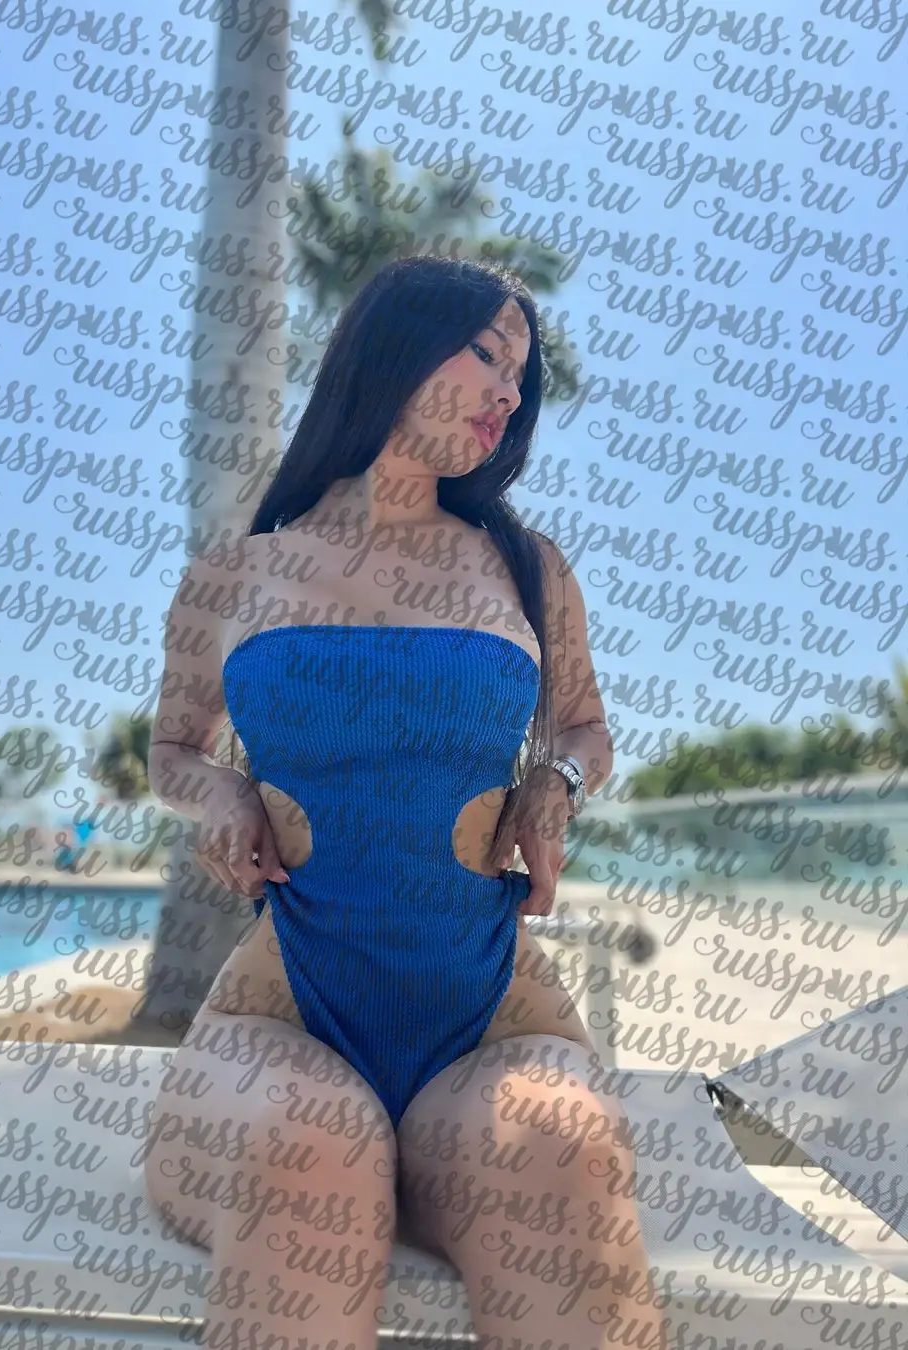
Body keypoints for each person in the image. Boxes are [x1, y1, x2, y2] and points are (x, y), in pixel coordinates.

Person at [144, 257, 666, 1350]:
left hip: (492, 1020)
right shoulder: (233, 575)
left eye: (522, 377)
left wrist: (555, 783)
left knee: (558, 1149)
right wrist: (223, 791)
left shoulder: (527, 568)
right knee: (308, 1152)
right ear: (390, 348)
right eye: (489, 355)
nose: (510, 393)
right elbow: (171, 752)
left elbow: (585, 729)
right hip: (283, 1015)